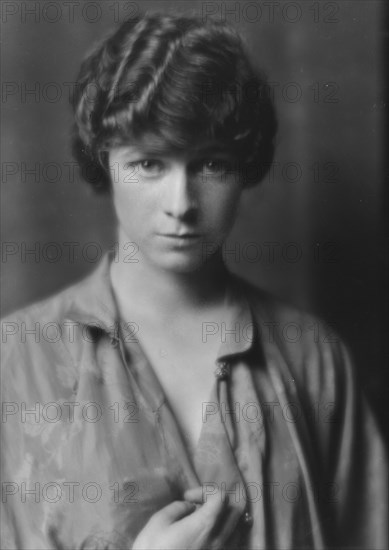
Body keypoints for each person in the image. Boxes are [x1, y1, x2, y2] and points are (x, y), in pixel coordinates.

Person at [1, 12, 386, 550]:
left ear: (244, 168)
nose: (180, 205)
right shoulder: (16, 363)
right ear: (104, 162)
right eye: (149, 164)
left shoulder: (314, 359)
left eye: (210, 165)